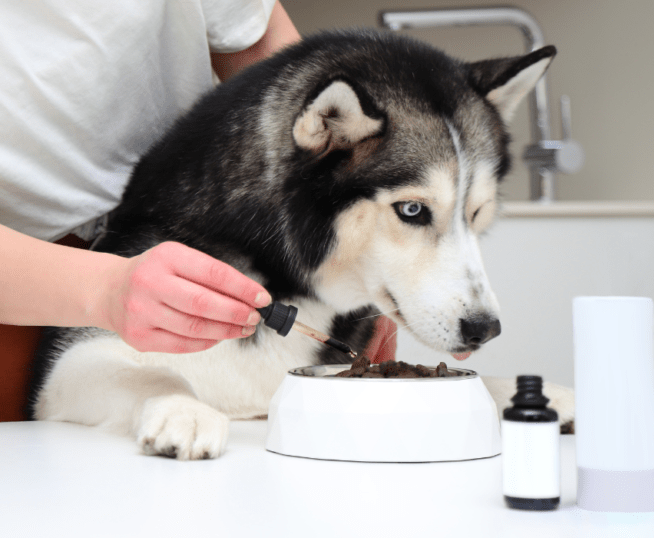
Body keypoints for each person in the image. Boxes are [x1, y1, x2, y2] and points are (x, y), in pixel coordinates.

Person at [0, 1, 396, 421]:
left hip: (193, 240)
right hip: (19, 292)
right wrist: (106, 288)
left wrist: (362, 240)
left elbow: (268, 59)